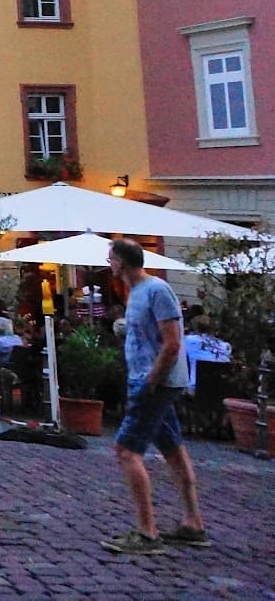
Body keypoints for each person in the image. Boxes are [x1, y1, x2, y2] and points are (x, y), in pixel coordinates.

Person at [101, 237, 207, 555]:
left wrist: (151, 379)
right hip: (150, 379)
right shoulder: (136, 292)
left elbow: (172, 342)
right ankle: (193, 524)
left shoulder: (156, 290)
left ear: (121, 262)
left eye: (111, 259)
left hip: (154, 383)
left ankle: (147, 532)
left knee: (125, 450)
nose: (109, 264)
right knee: (173, 449)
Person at [181, 316, 232, 394]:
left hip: (195, 388)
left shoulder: (188, 340)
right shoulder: (226, 346)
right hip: (221, 390)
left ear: (195, 328)